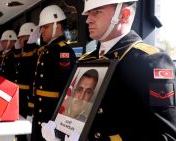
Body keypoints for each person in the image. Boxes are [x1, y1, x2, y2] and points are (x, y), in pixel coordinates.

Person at [42, 0, 176, 141]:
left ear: (124, 15)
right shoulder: (86, 61)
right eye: (88, 14)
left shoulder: (151, 62)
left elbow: (167, 135)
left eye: (97, 12)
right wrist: (62, 132)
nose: (88, 20)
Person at [30, 4, 77, 141]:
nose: (42, 31)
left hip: (52, 117)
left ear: (58, 27)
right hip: (41, 115)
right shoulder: (48, 49)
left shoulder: (63, 52)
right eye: (42, 27)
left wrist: (61, 125)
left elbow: (66, 91)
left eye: (46, 27)